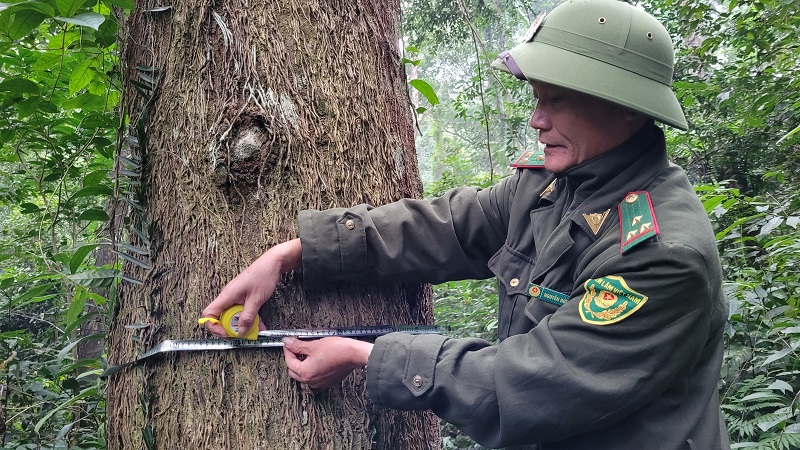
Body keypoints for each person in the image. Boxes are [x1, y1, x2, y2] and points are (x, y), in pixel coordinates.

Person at [202, 0, 731, 448]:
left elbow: (535, 383)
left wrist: (368, 355)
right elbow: (447, 226)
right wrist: (294, 252)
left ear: (628, 110)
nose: (536, 120)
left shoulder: (660, 254)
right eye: (536, 98)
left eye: (558, 101)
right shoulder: (554, 185)